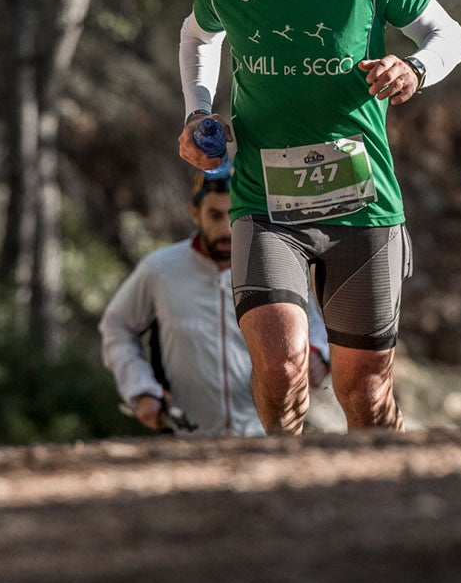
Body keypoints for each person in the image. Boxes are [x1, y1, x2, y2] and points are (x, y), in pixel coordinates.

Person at [175, 0, 461, 433]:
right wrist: (200, 110)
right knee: (282, 370)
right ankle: (286, 495)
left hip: (363, 205)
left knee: (364, 388)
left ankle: (379, 502)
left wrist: (415, 69)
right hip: (265, 202)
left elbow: (448, 35)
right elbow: (199, 37)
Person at [100, 170, 334, 437]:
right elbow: (117, 326)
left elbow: (311, 323)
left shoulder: (272, 265)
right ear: (194, 213)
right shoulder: (159, 270)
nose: (225, 228)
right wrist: (141, 389)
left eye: (234, 214)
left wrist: (318, 356)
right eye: (214, 215)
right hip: (185, 439)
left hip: (264, 439)